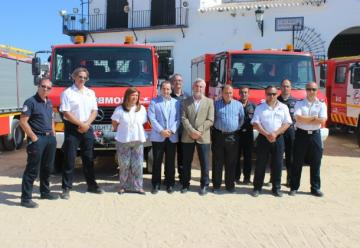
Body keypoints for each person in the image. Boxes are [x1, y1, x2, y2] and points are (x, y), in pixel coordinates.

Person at [60, 67, 104, 199]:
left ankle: (91, 185)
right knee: (69, 158)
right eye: (80, 77)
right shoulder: (67, 93)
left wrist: (86, 124)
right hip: (73, 128)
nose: (82, 79)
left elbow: (94, 111)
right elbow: (66, 112)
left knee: (88, 158)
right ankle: (66, 188)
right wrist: (81, 124)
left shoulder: (90, 92)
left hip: (87, 127)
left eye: (85, 77)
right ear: (74, 77)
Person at [19, 78, 58, 208]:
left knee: (47, 167)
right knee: (32, 169)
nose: (45, 89)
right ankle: (26, 199)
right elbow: (23, 121)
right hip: (38, 139)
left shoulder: (49, 102)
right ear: (38, 86)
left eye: (48, 87)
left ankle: (45, 192)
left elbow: (52, 118)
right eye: (43, 86)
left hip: (49, 139)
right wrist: (33, 137)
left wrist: (53, 133)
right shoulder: (30, 102)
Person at [251, 85, 292, 197]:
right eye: (269, 94)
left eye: (274, 94)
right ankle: (257, 188)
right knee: (260, 163)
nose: (272, 96)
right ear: (266, 94)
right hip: (263, 138)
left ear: (277, 94)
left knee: (277, 164)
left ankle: (276, 188)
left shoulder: (283, 107)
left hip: (278, 139)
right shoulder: (260, 107)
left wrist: (275, 133)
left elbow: (287, 123)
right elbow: (255, 123)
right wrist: (266, 134)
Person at [289, 82, 327, 197]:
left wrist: (307, 119)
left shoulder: (321, 104)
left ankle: (315, 188)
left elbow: (322, 120)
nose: (311, 91)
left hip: (315, 135)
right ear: (306, 90)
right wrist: (314, 118)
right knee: (297, 162)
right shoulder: (299, 103)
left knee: (316, 162)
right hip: (301, 135)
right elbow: (298, 118)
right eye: (309, 89)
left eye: (314, 89)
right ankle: (294, 187)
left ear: (317, 90)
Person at [111, 87, 148, 195]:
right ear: (127, 96)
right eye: (133, 95)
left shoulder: (141, 109)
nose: (135, 97)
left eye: (137, 96)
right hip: (123, 140)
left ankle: (138, 187)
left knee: (138, 165)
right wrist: (120, 130)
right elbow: (114, 122)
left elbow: (143, 122)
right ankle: (123, 186)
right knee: (124, 165)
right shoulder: (119, 109)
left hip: (137, 139)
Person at [181, 78, 214, 195]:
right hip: (187, 136)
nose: (198, 88)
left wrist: (198, 131)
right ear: (193, 87)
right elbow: (183, 118)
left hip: (203, 136)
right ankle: (185, 184)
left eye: (201, 86)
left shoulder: (210, 102)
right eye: (196, 86)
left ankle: (204, 185)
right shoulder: (186, 101)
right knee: (186, 162)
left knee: (204, 162)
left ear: (204, 88)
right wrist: (191, 131)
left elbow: (210, 119)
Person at [148, 81, 180, 194]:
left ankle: (169, 183)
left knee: (170, 162)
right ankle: (156, 184)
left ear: (171, 90)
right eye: (164, 89)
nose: (166, 91)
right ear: (160, 90)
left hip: (172, 136)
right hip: (158, 136)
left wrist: (171, 130)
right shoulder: (154, 102)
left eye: (168, 89)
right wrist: (161, 131)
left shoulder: (177, 103)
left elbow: (178, 119)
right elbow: (152, 118)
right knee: (157, 161)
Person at [212, 85, 244, 193]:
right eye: (226, 93)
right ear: (222, 93)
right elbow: (213, 119)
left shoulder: (238, 105)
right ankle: (216, 186)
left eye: (230, 93)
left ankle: (230, 185)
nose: (228, 95)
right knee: (217, 161)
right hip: (219, 136)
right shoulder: (216, 104)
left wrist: (234, 128)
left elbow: (241, 119)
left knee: (231, 162)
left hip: (232, 136)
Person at [277, 79, 297, 187]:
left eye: (288, 86)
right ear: (280, 87)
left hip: (290, 132)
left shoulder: (296, 101)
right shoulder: (276, 100)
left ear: (291, 88)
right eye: (284, 86)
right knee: (277, 156)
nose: (286, 88)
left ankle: (289, 180)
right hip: (279, 131)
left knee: (290, 157)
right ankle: (274, 179)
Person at [170, 73, 189, 182]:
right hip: (171, 130)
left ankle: (182, 176)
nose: (178, 82)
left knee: (182, 154)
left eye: (180, 80)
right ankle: (169, 176)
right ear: (172, 83)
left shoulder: (187, 96)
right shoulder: (168, 96)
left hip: (183, 130)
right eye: (176, 80)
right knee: (170, 155)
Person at [235, 86, 256, 185]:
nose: (244, 94)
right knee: (236, 157)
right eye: (242, 92)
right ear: (239, 93)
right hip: (237, 134)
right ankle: (236, 177)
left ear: (249, 94)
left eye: (246, 92)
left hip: (248, 134)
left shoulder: (253, 106)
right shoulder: (235, 104)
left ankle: (247, 178)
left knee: (248, 157)